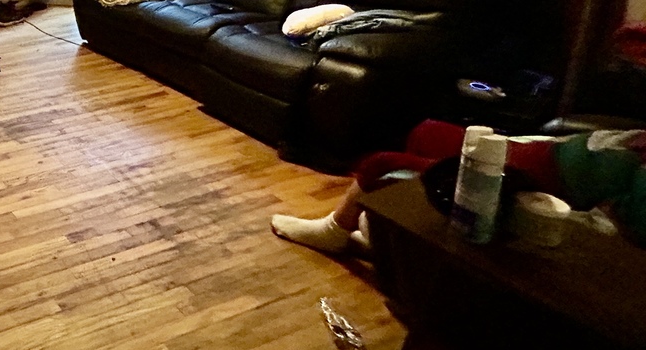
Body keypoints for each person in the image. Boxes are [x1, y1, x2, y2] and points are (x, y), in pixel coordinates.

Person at [271, 119, 646, 254]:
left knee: (382, 163)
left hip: (527, 176)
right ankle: (391, 232)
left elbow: (619, 226)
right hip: (537, 149)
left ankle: (335, 230)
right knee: (426, 130)